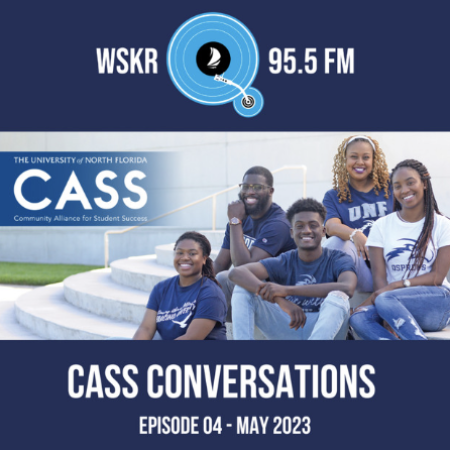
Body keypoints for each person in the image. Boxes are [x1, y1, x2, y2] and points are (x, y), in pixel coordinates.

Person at [228, 198, 357, 340]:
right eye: (300, 226)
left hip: (327, 331)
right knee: (242, 289)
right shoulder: (285, 260)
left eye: (313, 225)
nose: (306, 230)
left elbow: (348, 287)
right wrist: (280, 300)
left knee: (338, 296)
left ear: (323, 231)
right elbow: (236, 272)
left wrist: (287, 291)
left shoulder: (338, 259)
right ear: (291, 232)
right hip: (290, 325)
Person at [350, 159, 450, 340]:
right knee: (359, 318)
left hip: (437, 303)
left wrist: (396, 287)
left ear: (424, 184)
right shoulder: (381, 226)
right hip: (390, 303)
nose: (404, 190)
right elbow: (380, 279)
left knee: (386, 298)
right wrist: (383, 307)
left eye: (410, 183)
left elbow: (437, 277)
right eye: (397, 186)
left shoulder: (442, 224)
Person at [214, 166, 296, 321]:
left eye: (257, 187)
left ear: (270, 191)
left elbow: (244, 269)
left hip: (280, 300)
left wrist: (235, 221)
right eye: (246, 186)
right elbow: (219, 264)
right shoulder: (240, 219)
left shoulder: (278, 224)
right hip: (253, 293)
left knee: (225, 279)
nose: (250, 192)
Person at [323, 135, 393, 292]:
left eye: (366, 157)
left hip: (395, 266)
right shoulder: (334, 195)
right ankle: (334, 302)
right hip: (364, 271)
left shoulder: (391, 186)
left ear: (374, 160)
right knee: (335, 242)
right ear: (344, 160)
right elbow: (331, 226)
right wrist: (355, 234)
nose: (360, 162)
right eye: (354, 157)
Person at [133, 231, 227, 340]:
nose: (185, 257)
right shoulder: (161, 289)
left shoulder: (211, 294)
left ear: (204, 259)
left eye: (192, 253)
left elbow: (191, 338)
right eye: (180, 252)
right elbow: (146, 329)